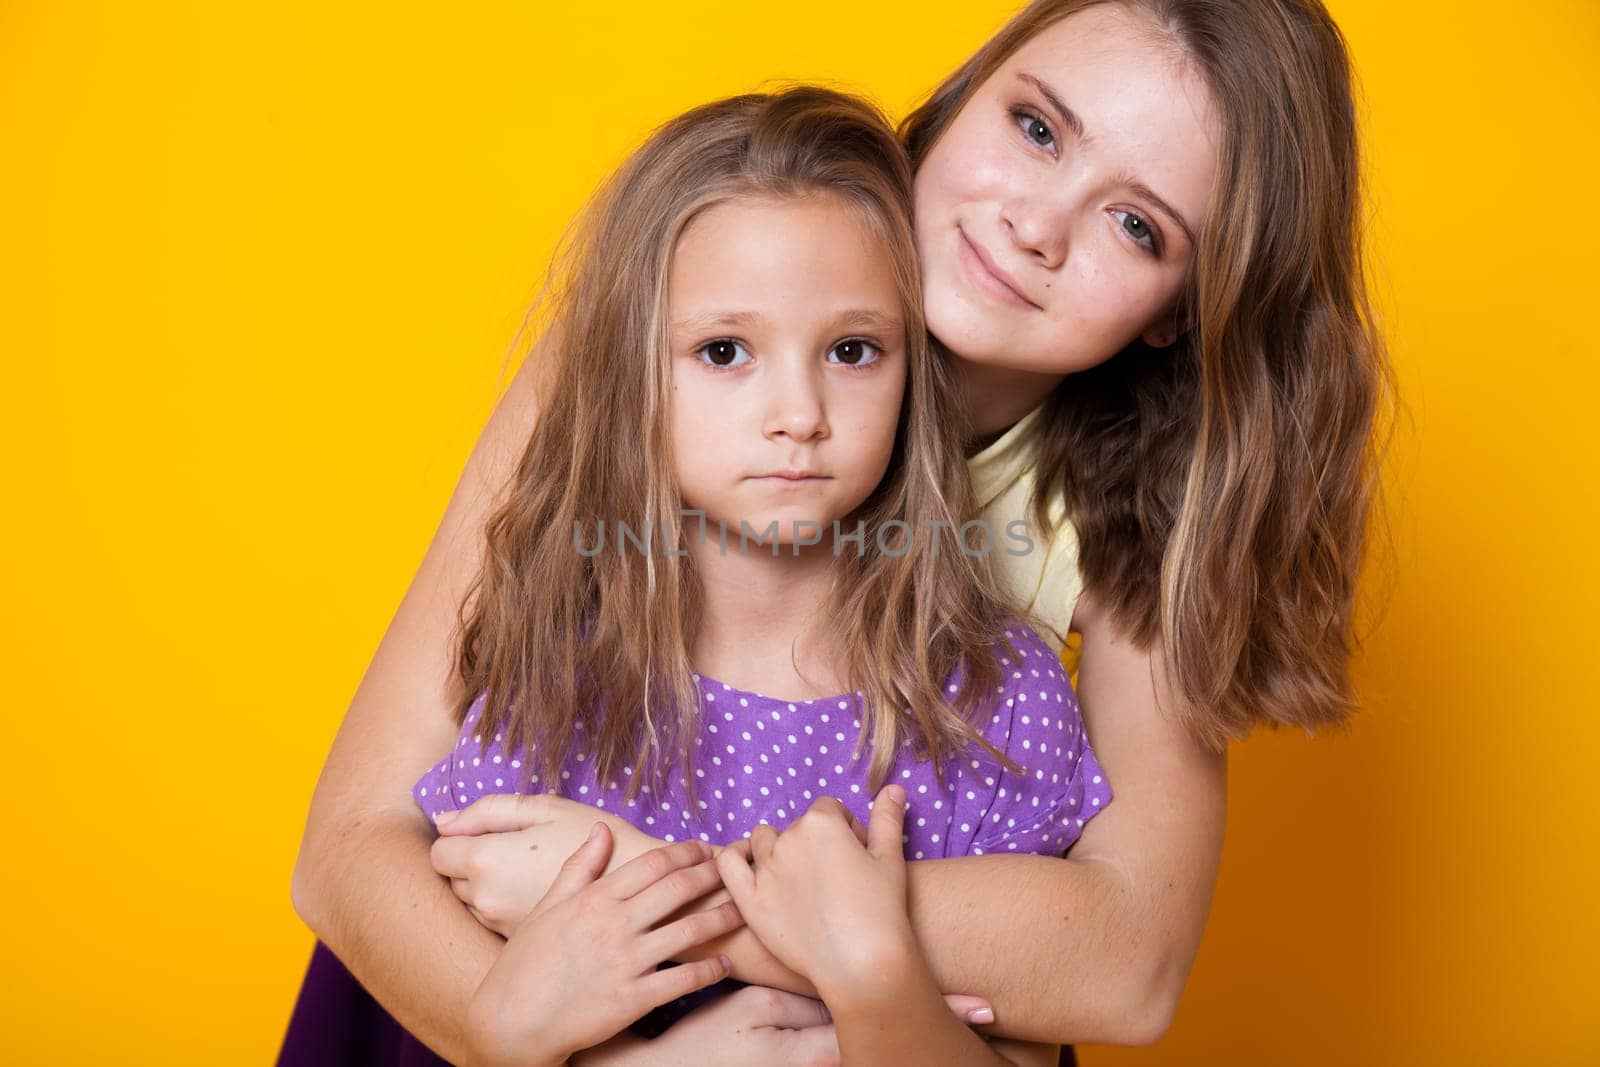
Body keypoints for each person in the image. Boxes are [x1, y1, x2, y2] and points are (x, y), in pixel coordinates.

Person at [289, 0, 1388, 1061]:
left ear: (1181, 310)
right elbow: (351, 845)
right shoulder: (679, 297)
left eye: (1136, 225)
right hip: (504, 999)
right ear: (961, 98)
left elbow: (1127, 963)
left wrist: (665, 893)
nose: (1035, 226)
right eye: (1036, 128)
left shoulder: (1146, 514)